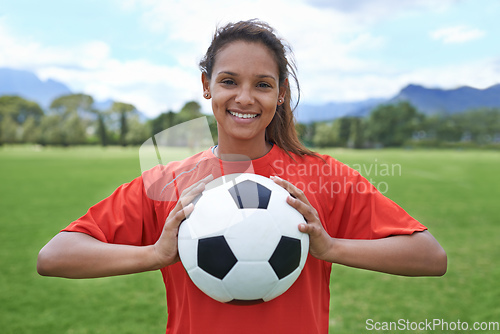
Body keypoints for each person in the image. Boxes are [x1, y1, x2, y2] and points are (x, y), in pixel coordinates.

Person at [37, 19, 447, 333]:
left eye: (263, 85)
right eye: (229, 81)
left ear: (280, 93)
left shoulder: (323, 176)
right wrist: (154, 254)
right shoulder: (167, 181)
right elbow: (54, 257)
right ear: (206, 86)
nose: (245, 98)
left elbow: (430, 257)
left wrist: (330, 247)